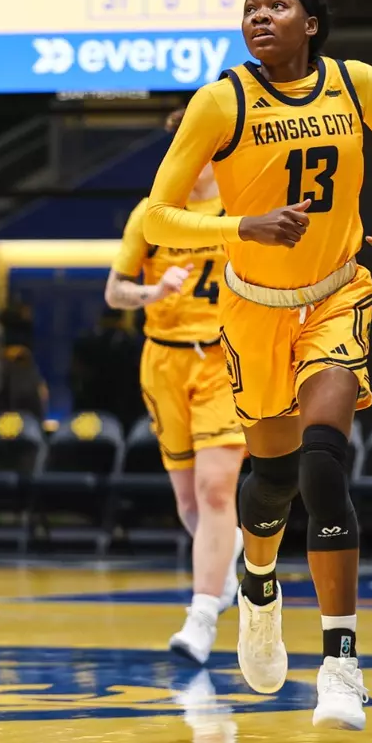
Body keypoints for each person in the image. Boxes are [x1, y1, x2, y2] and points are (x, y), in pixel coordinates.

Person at [145, 0, 372, 732]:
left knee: (323, 464)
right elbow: (157, 214)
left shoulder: (356, 83)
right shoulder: (220, 101)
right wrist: (245, 227)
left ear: (311, 22)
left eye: (276, 5)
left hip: (337, 291)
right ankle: (258, 584)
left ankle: (340, 663)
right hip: (254, 310)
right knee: (270, 481)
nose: (259, 16)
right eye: (249, 7)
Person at [107, 111, 245, 665]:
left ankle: (202, 614)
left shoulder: (240, 208)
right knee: (190, 503)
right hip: (163, 361)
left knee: (216, 490)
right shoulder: (151, 213)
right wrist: (153, 293)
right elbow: (115, 291)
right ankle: (224, 556)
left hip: (222, 359)